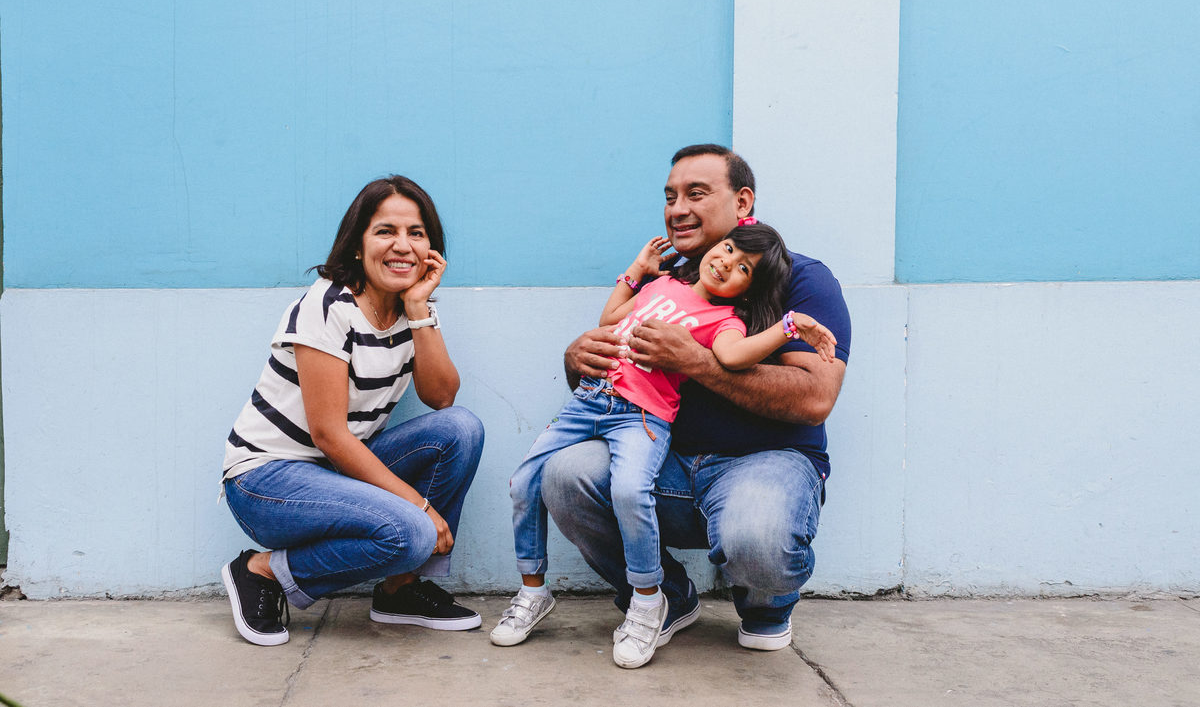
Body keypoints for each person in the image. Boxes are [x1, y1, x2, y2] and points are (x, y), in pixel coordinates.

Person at [542, 144, 851, 654]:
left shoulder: (802, 278)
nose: (677, 209)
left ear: (742, 202)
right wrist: (579, 359)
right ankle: (664, 597)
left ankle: (765, 604)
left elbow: (815, 397)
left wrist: (696, 360)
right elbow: (616, 374)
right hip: (661, 460)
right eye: (670, 197)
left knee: (758, 535)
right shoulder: (666, 278)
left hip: (765, 462)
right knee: (565, 474)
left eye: (696, 194)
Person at [491, 222, 838, 668]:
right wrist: (636, 272)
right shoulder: (664, 285)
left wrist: (788, 327)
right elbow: (611, 319)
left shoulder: (726, 321)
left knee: (629, 491)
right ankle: (535, 591)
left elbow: (732, 356)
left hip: (641, 417)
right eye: (728, 249)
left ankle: (662, 599)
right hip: (593, 400)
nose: (726, 262)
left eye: (743, 268)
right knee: (528, 479)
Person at [219, 176, 485, 646]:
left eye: (416, 233)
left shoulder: (410, 308)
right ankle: (261, 570)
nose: (402, 245)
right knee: (412, 531)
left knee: (460, 429)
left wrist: (419, 308)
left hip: (336, 472)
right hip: (266, 481)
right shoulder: (327, 306)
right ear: (358, 246)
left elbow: (442, 397)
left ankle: (400, 590)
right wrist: (420, 506)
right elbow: (329, 434)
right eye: (385, 231)